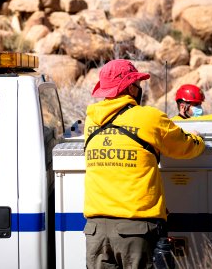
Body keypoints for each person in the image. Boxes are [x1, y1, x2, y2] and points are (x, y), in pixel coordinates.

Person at [83, 59, 205, 268]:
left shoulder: (91, 120)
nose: (139, 89)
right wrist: (198, 138)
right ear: (131, 87)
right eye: (138, 85)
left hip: (95, 231)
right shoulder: (149, 117)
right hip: (135, 230)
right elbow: (185, 148)